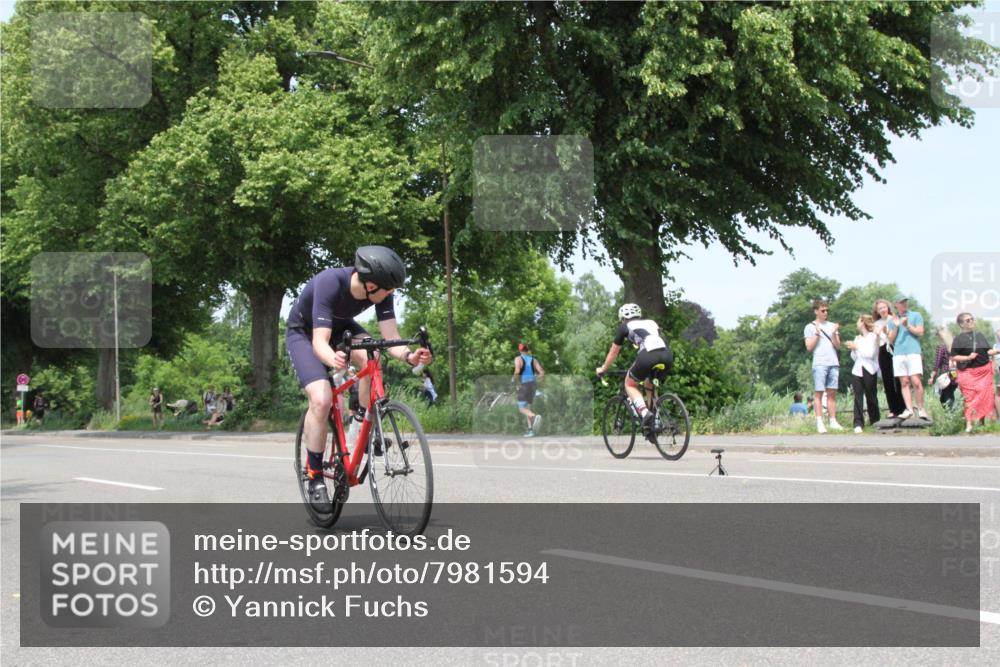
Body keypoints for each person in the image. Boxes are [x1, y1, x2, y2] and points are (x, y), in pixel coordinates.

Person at [285, 246, 432, 511]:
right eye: (389, 290)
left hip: (341, 328)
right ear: (372, 284)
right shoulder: (331, 282)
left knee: (373, 353)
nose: (392, 295)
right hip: (305, 333)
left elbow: (390, 338)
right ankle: (314, 475)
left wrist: (410, 356)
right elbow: (320, 342)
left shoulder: (380, 291)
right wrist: (334, 359)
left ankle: (362, 423)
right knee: (321, 399)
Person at [596, 303, 674, 441]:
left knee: (630, 384)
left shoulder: (625, 326)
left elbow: (613, 352)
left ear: (623, 318)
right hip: (667, 355)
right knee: (650, 385)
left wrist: (603, 368)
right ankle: (653, 425)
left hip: (648, 354)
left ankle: (645, 413)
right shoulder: (651, 323)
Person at [950, 313, 998, 433]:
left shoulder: (980, 336)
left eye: (972, 319)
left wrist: (997, 351)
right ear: (961, 324)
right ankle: (969, 424)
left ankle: (981, 424)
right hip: (968, 373)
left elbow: (988, 351)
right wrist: (968, 357)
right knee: (970, 398)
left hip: (984, 372)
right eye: (968, 320)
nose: (971, 321)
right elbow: (954, 357)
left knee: (984, 397)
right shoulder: (959, 339)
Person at [803, 299, 843, 433]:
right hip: (820, 362)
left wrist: (834, 333)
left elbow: (838, 346)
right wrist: (817, 334)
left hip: (833, 362)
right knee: (819, 393)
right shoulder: (810, 327)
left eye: (827, 310)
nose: (825, 312)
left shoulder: (832, 326)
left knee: (832, 393)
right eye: (822, 310)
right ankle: (819, 421)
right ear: (816, 311)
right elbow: (809, 347)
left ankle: (833, 420)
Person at [886, 296, 928, 420]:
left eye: (905, 302)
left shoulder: (915, 315)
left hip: (913, 351)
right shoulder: (892, 320)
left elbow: (920, 332)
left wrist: (907, 325)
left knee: (916, 381)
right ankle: (909, 409)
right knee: (904, 382)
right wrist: (897, 326)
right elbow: (890, 340)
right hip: (899, 353)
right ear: (896, 304)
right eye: (901, 302)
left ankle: (921, 408)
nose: (904, 304)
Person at [846, 314, 880, 433]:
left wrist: (857, 347)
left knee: (871, 396)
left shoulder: (873, 337)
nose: (857, 323)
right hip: (857, 369)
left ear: (863, 322)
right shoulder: (858, 338)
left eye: (858, 321)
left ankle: (875, 420)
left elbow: (870, 354)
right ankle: (858, 422)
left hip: (870, 369)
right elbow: (855, 357)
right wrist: (854, 349)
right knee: (857, 396)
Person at [873, 299, 906, 418]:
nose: (882, 310)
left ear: (888, 307)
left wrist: (886, 333)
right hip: (883, 350)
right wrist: (877, 334)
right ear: (877, 311)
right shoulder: (876, 323)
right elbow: (877, 342)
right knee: (887, 380)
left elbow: (896, 336)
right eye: (880, 308)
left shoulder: (894, 319)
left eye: (884, 307)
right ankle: (893, 409)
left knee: (898, 378)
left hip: (895, 348)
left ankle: (903, 407)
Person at [512, 343, 544, 437]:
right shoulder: (533, 360)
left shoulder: (518, 359)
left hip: (524, 385)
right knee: (527, 408)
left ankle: (534, 417)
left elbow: (517, 371)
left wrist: (514, 380)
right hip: (533, 385)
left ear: (520, 350)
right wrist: (536, 380)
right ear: (527, 350)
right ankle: (531, 431)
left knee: (522, 408)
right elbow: (542, 372)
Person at [928, 329, 958, 409]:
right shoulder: (955, 346)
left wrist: (932, 377)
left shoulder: (941, 347)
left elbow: (937, 363)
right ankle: (952, 413)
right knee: (950, 393)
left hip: (945, 374)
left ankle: (950, 414)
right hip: (955, 373)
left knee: (944, 396)